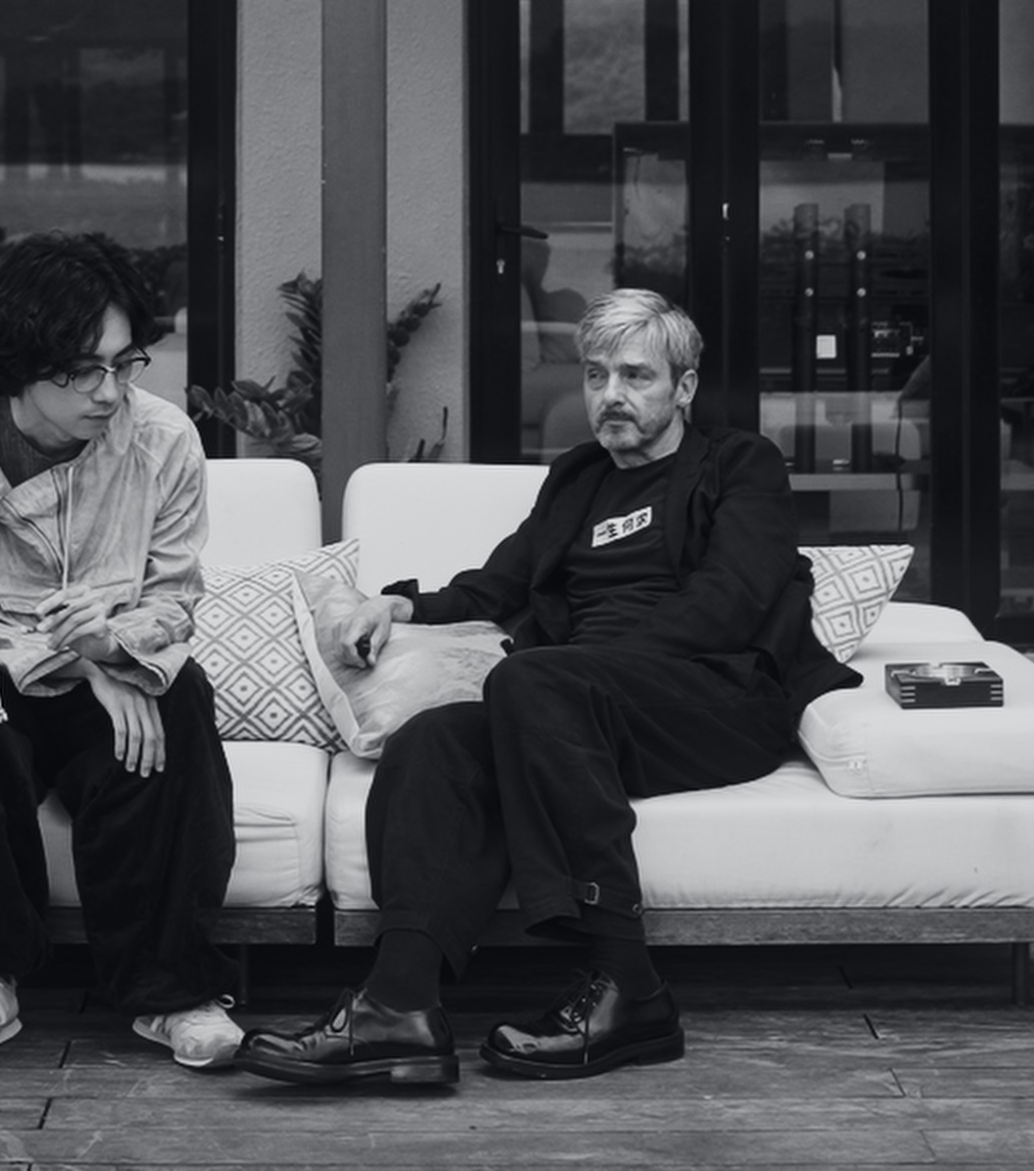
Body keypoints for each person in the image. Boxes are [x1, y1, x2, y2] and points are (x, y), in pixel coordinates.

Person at [240, 288, 861, 1089]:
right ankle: (398, 1008)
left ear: (684, 387)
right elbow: (498, 583)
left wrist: (581, 669)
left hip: (714, 697)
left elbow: (730, 602)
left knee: (534, 679)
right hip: (572, 708)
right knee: (434, 739)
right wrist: (401, 605)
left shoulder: (740, 465)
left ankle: (632, 989)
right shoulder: (577, 479)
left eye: (636, 376)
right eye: (597, 376)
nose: (611, 395)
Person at [0, 230, 244, 1077]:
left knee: (181, 696)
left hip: (114, 675)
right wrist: (74, 662)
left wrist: (112, 647)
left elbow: (174, 598)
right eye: (82, 371)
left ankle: (172, 988)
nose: (110, 391)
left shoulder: (162, 440)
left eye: (124, 363)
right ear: (16, 367)